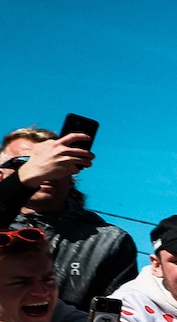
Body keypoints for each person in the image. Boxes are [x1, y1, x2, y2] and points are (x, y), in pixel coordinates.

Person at [1, 125, 134, 308]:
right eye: (24, 162)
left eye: (57, 163)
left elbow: (116, 315)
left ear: (72, 176)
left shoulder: (109, 241)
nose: (46, 171)